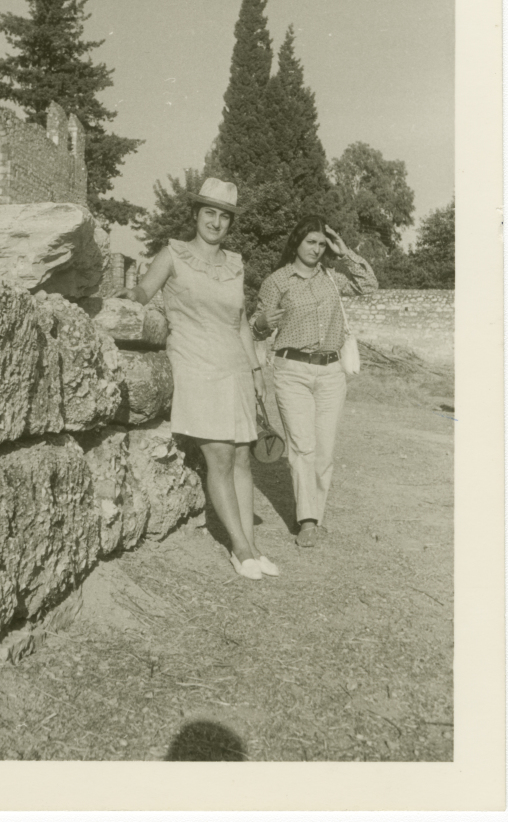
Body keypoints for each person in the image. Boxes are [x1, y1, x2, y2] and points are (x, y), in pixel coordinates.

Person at [117, 178, 278, 581]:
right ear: (196, 214)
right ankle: (239, 548)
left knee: (242, 457)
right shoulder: (173, 253)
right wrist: (128, 299)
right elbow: (144, 291)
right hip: (195, 363)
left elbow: (241, 322)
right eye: (209, 212)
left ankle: (253, 546)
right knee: (219, 455)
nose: (216, 222)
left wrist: (256, 370)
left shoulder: (235, 263)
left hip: (234, 366)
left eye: (224, 216)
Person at [251, 216, 378, 548]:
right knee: (302, 447)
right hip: (292, 371)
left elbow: (369, 285)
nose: (317, 249)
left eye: (322, 244)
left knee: (324, 452)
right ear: (296, 242)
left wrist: (345, 253)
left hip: (331, 373)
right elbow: (254, 328)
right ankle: (306, 521)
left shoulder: (332, 278)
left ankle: (315, 518)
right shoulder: (277, 281)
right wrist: (262, 322)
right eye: (311, 241)